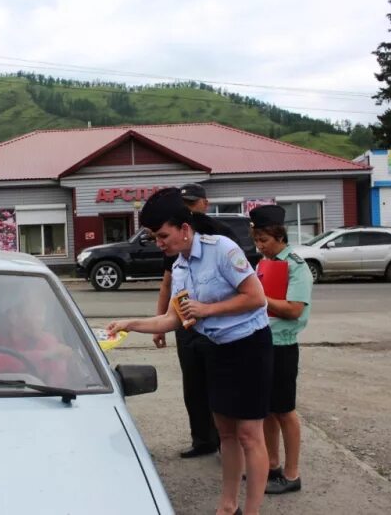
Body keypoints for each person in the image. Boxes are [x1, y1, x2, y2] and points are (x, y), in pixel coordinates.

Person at [108, 187, 272, 515]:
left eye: (163, 235)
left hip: (249, 347)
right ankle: (228, 506)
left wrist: (207, 311)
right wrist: (130, 323)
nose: (159, 243)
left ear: (184, 229)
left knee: (249, 434)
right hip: (216, 350)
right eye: (154, 237)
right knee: (225, 431)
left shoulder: (222, 249)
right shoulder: (180, 267)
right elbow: (172, 318)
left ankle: (251, 511)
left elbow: (257, 298)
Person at [154, 182, 239, 459]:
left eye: (192, 203)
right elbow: (168, 282)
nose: (189, 209)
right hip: (186, 323)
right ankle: (204, 440)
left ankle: (226, 444)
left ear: (205, 203)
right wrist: (160, 322)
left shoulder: (222, 235)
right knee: (194, 385)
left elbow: (244, 288)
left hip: (218, 325)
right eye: (184, 204)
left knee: (219, 386)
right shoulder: (174, 236)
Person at [251, 204, 312, 495]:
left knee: (285, 411)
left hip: (284, 346)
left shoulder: (296, 266)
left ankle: (292, 473)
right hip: (261, 342)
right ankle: (272, 465)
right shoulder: (262, 264)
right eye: (256, 241)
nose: (260, 246)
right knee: (266, 412)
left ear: (279, 236)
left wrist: (259, 297)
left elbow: (294, 309)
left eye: (264, 240)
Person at [0, 295, 74, 386]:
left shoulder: (47, 341)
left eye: (42, 314)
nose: (41, 320)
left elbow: (58, 385)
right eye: (35, 314)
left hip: (34, 399)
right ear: (14, 316)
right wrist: (43, 355)